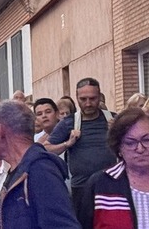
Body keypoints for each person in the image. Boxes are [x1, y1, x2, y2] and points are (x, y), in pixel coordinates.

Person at [47, 78, 116, 213]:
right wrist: (67, 143)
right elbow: (46, 148)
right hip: (81, 189)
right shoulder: (69, 122)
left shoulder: (113, 119)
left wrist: (118, 132)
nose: (88, 103)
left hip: (112, 186)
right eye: (83, 99)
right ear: (76, 98)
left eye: (92, 98)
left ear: (99, 96)